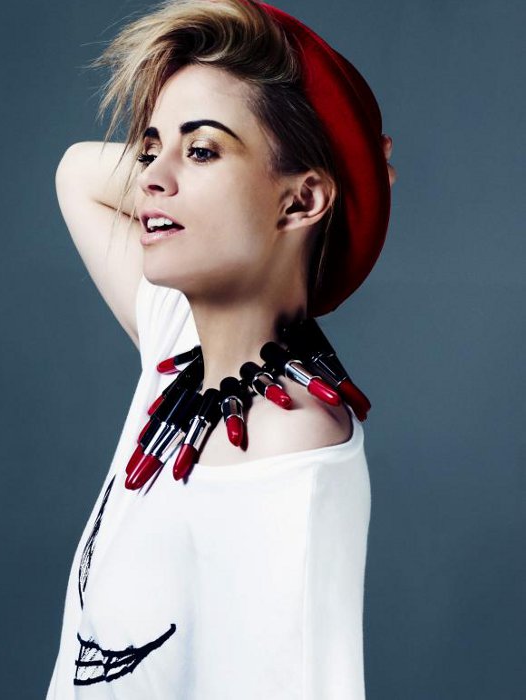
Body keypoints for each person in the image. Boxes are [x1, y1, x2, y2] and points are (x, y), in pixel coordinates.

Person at [46, 1, 396, 697]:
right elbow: (76, 172)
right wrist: (187, 174)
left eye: (202, 149)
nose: (151, 176)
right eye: (150, 148)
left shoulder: (289, 440)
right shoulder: (181, 351)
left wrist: (350, 179)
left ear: (300, 202)